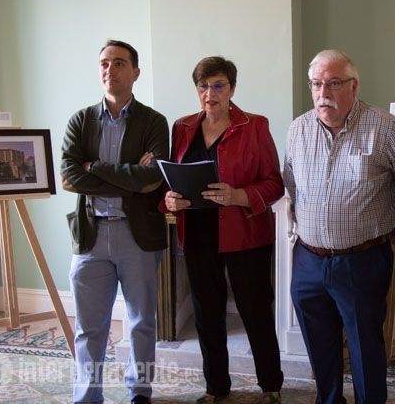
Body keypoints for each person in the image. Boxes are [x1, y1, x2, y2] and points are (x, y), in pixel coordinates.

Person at [283, 49, 395, 403]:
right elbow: (291, 185)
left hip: (362, 260)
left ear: (354, 86)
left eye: (334, 83)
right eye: (316, 84)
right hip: (308, 259)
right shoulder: (298, 129)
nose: (323, 93)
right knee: (319, 344)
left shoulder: (386, 128)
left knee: (365, 346)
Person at [160, 56, 284, 404]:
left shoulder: (255, 125)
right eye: (203, 86)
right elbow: (170, 179)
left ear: (232, 89)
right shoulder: (182, 127)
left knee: (256, 314)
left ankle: (271, 386)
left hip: (246, 236)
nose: (210, 93)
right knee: (207, 316)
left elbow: (274, 183)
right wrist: (168, 200)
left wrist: (237, 196)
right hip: (197, 235)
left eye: (218, 86)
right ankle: (216, 387)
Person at [61, 39, 169, 404]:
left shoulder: (153, 122)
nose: (110, 69)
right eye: (104, 63)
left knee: (142, 322)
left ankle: (140, 391)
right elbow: (68, 177)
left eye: (119, 63)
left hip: (137, 237)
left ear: (135, 72)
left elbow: (152, 179)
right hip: (91, 236)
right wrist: (128, 176)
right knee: (89, 328)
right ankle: (87, 396)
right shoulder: (80, 121)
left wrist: (94, 168)